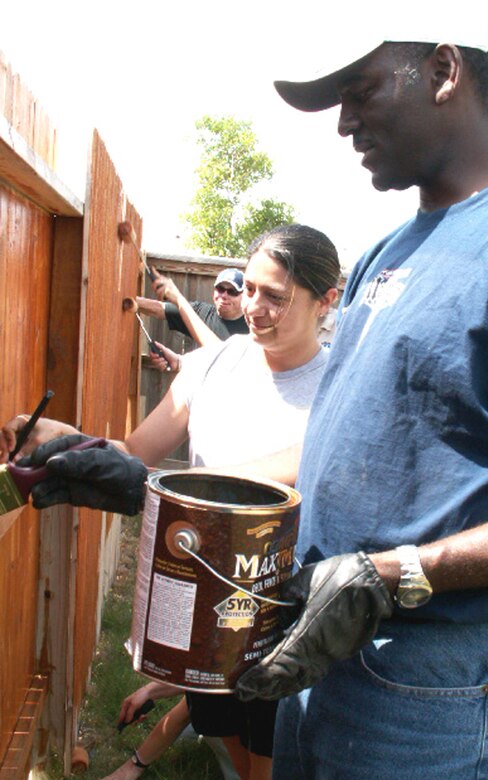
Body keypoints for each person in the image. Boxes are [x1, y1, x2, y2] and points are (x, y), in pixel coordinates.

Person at [223, 13, 488, 780]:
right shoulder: (385, 251)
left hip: (440, 681)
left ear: (441, 71)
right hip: (325, 649)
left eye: (359, 90)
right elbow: (348, 438)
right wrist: (171, 491)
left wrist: (399, 572)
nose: (343, 122)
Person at [0, 223, 339, 780]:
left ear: (326, 300)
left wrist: (159, 487)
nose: (253, 307)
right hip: (199, 595)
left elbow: (295, 472)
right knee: (223, 729)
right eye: (249, 288)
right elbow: (135, 450)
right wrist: (64, 437)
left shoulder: (341, 386)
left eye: (275, 296)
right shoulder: (211, 367)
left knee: (270, 755)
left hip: (279, 605)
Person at [135, 267, 249, 360]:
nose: (224, 295)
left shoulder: (251, 327)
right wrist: (130, 300)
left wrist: (178, 298)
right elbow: (159, 309)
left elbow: (221, 357)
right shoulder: (202, 312)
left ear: (244, 295)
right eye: (220, 289)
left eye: (232, 292)